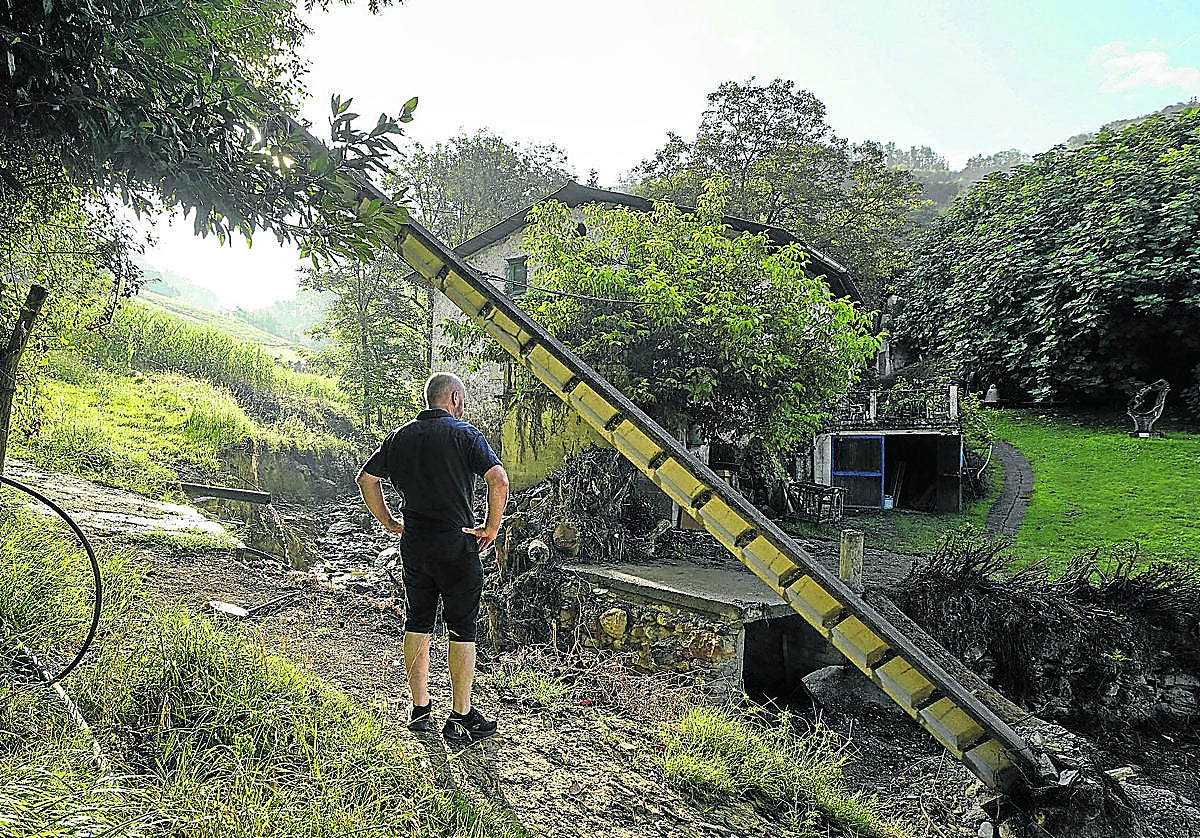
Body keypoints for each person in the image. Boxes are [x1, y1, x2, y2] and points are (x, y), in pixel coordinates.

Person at [356, 372, 509, 742]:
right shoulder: (465, 434)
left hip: (416, 546)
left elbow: (366, 479)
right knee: (462, 627)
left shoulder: (399, 437)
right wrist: (490, 528)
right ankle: (460, 717)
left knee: (418, 621)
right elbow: (499, 480)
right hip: (456, 546)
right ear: (454, 398)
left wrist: (390, 521)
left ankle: (420, 710)